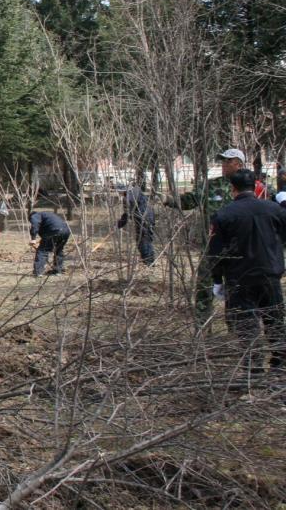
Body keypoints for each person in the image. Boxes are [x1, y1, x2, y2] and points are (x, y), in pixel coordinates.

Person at [204, 168, 286, 376]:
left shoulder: (224, 214)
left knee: (246, 325)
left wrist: (217, 280)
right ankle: (279, 365)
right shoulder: (273, 209)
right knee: (275, 321)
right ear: (255, 185)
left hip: (239, 278)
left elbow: (215, 251)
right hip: (270, 275)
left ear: (232, 188)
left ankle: (253, 369)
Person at [168, 148, 244, 324]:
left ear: (239, 164)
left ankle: (237, 324)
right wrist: (169, 200)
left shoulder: (250, 185)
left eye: (228, 161)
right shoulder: (211, 186)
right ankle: (202, 324)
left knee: (237, 286)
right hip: (212, 245)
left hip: (239, 247)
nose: (224, 164)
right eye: (223, 161)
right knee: (204, 284)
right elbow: (189, 200)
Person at [117, 186, 155, 265]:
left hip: (142, 219)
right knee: (147, 238)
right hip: (150, 216)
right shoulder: (136, 191)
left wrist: (119, 224)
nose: (119, 193)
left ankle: (148, 261)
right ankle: (150, 259)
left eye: (119, 191)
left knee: (142, 240)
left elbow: (127, 215)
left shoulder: (127, 198)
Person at [28, 211, 71, 276]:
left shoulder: (35, 215)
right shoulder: (47, 215)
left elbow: (35, 225)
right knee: (59, 250)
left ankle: (38, 272)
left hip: (53, 231)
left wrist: (33, 238)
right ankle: (58, 270)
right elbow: (47, 230)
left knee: (42, 251)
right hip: (66, 231)